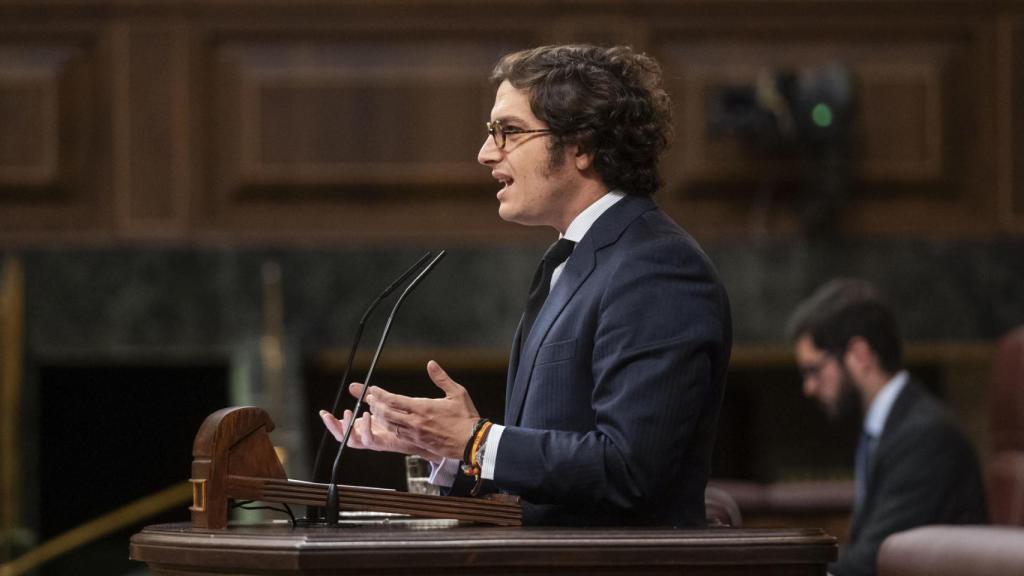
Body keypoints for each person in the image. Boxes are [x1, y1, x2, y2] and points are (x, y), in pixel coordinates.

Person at [320, 44, 732, 526]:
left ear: (582, 145)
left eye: (509, 132)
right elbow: (555, 482)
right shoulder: (572, 261)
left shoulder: (657, 266)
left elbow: (629, 469)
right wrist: (450, 448)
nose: (485, 152)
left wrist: (477, 439)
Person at [787, 278, 987, 576]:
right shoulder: (889, 426)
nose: (809, 387)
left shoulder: (926, 436)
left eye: (814, 370)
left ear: (859, 354)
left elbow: (875, 560)